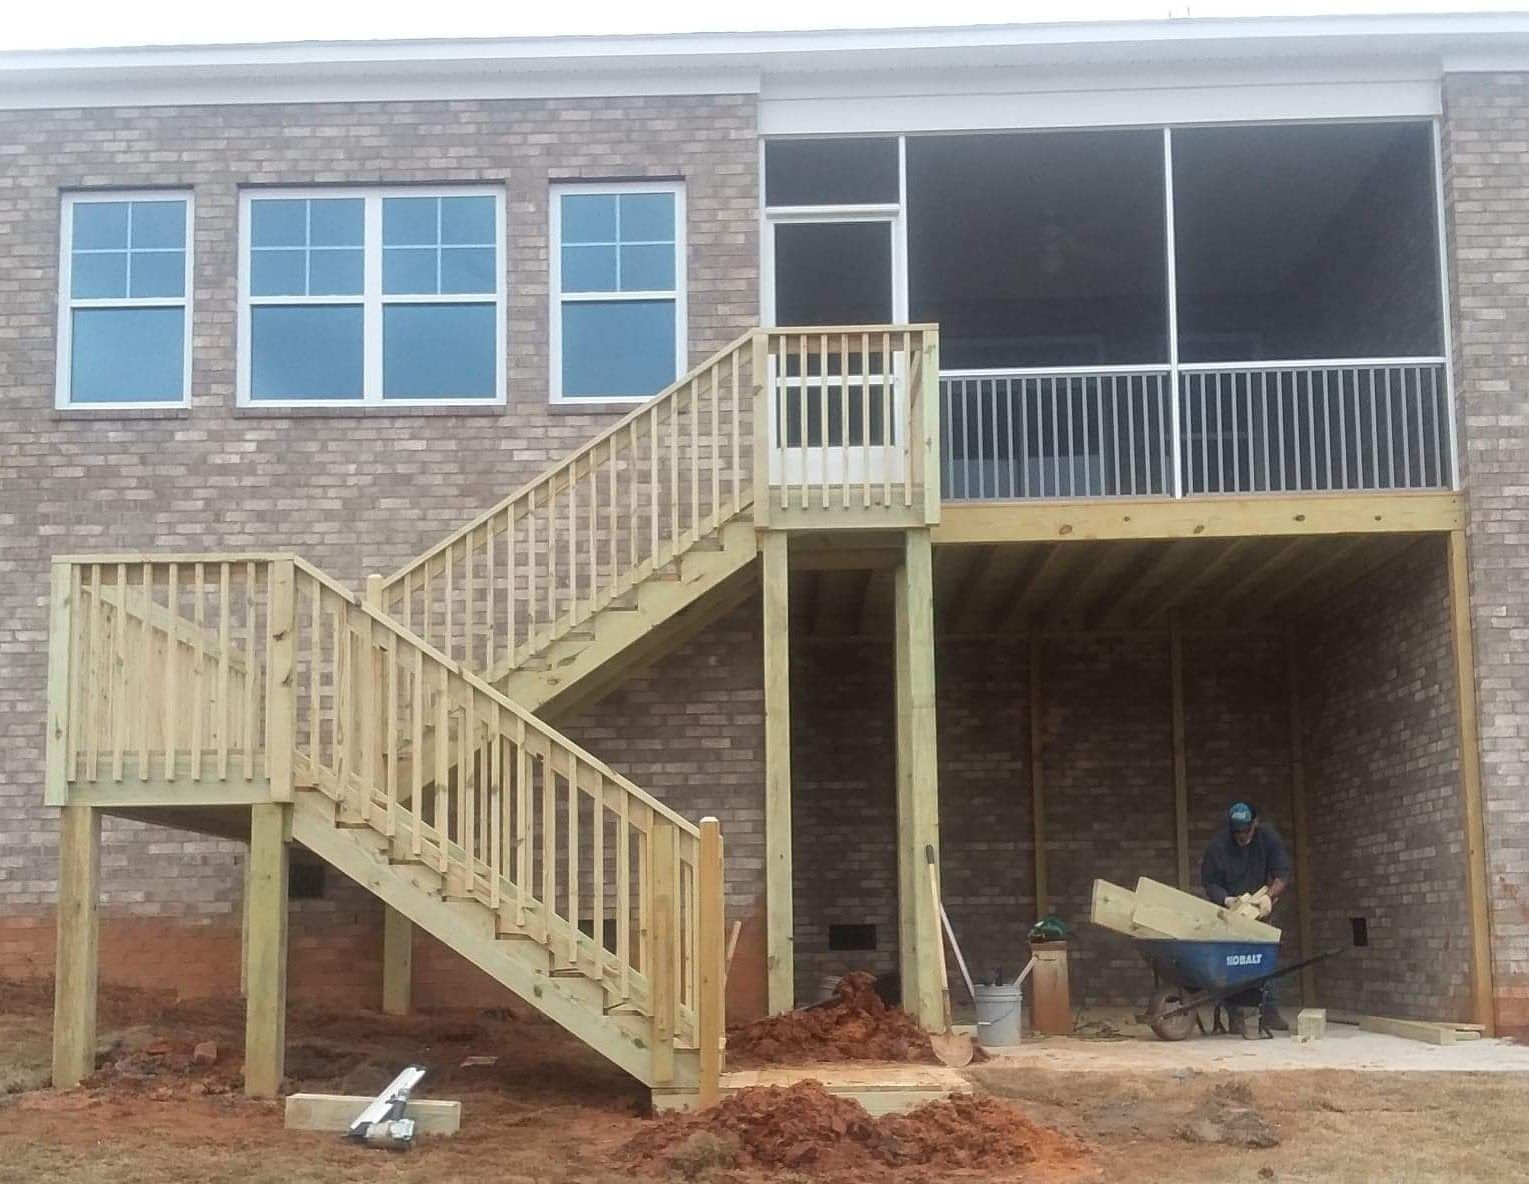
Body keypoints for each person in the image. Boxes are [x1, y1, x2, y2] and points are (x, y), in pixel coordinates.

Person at [1200, 801, 1292, 1035]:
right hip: (1231, 913)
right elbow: (1210, 882)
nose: (1242, 836)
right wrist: (1227, 900)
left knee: (1265, 961)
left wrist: (1269, 897)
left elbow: (1282, 874)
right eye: (1237, 832)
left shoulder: (1268, 838)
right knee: (1231, 965)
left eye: (1246, 830)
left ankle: (1269, 1013)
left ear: (1255, 823)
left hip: (1260, 909)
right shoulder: (1218, 847)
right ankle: (1235, 1017)